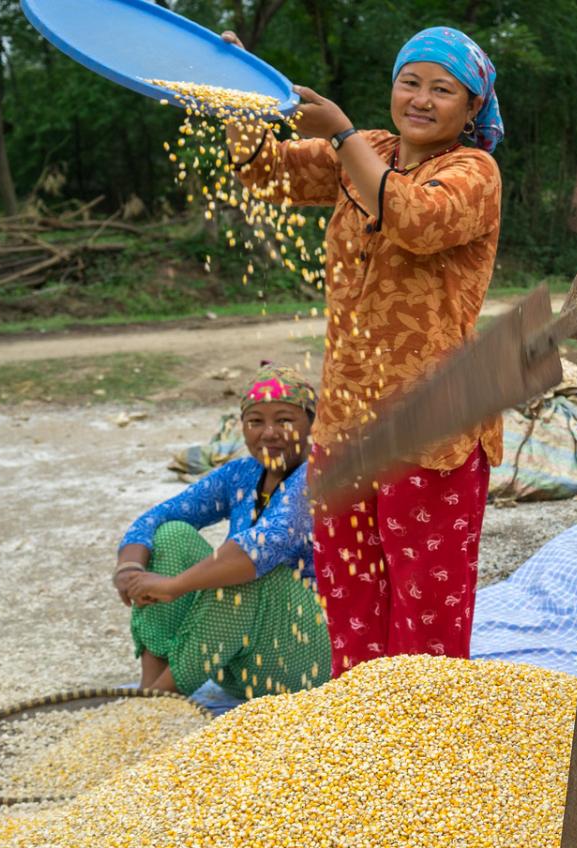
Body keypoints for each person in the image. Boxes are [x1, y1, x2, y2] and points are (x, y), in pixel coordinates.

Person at [221, 27, 505, 677]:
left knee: (425, 615)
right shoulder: (369, 149)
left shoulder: (473, 172)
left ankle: (427, 748)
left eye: (444, 89)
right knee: (350, 607)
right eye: (412, 81)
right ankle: (363, 745)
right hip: (346, 426)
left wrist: (344, 134)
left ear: (470, 107)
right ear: (393, 86)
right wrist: (240, 94)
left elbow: (414, 219)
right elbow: (269, 175)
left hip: (433, 433)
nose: (423, 99)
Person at [115, 366, 330, 699]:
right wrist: (129, 568)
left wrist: (173, 586)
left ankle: (156, 704)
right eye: (255, 421)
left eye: (285, 420)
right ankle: (151, 688)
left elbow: (262, 546)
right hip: (239, 662)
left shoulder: (319, 474)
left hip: (300, 663)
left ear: (311, 424)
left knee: (246, 573)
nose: (269, 433)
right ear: (242, 426)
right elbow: (156, 518)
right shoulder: (241, 473)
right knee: (173, 535)